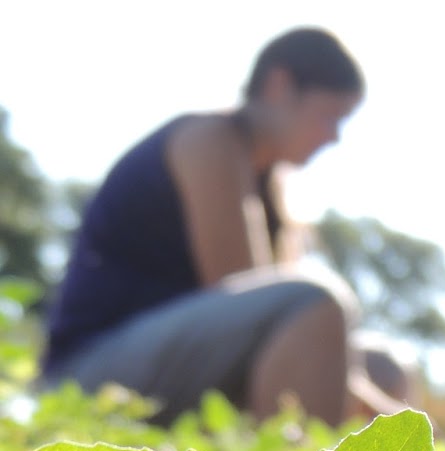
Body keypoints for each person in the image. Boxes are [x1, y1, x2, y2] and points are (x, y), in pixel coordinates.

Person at [39, 27, 404, 424]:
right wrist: (388, 418)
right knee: (316, 302)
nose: (334, 136)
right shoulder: (207, 140)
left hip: (173, 369)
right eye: (331, 116)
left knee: (385, 364)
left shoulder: (270, 188)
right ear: (280, 85)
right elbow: (250, 300)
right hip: (88, 377)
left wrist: (381, 403)